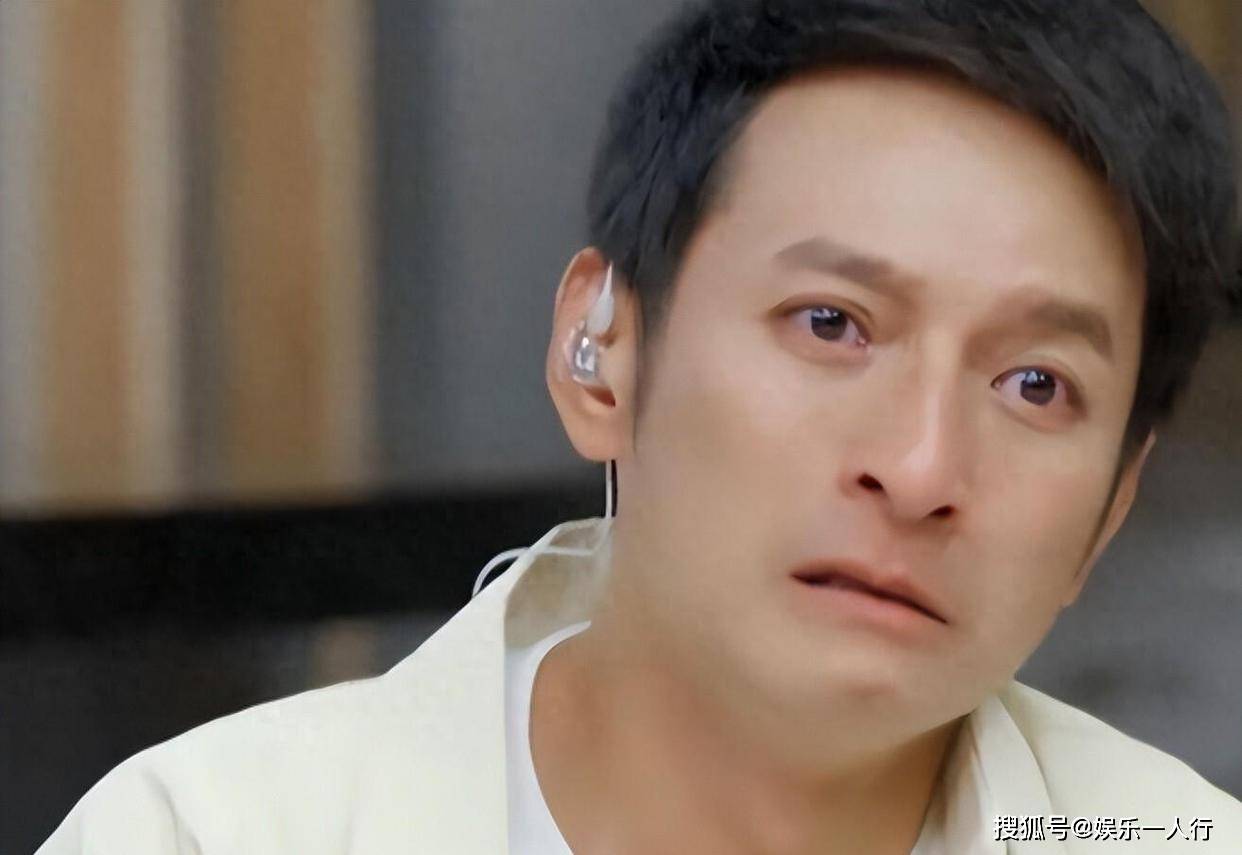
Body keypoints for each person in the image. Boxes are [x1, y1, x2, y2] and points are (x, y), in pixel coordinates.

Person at [39, 0, 1241, 852]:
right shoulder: (209, 834)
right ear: (601, 351)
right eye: (831, 323)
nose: (921, 466)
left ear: (1110, 511)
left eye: (1035, 385)